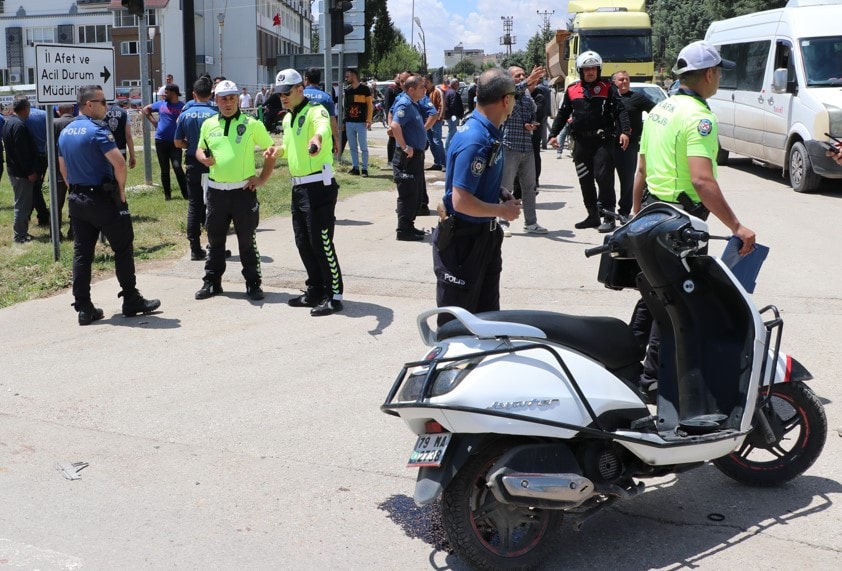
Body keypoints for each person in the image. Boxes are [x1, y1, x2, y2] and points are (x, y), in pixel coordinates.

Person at [630, 40, 756, 396]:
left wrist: (635, 212)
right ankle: (652, 381)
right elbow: (702, 179)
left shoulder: (660, 110)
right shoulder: (700, 117)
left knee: (652, 293)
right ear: (710, 74)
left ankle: (624, 362)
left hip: (654, 216)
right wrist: (736, 226)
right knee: (676, 302)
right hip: (680, 224)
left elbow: (640, 168)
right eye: (719, 73)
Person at [57, 85, 161, 325]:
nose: (107, 106)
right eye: (103, 102)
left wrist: (75, 187)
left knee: (82, 253)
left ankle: (84, 307)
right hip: (104, 200)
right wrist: (121, 192)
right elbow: (119, 164)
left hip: (77, 199)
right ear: (89, 105)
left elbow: (63, 169)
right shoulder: (97, 131)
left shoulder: (65, 132)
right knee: (123, 247)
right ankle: (131, 299)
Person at [432, 68, 522, 326]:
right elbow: (461, 201)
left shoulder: (487, 129)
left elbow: (475, 182)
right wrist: (502, 211)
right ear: (506, 100)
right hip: (464, 243)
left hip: (484, 237)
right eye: (513, 97)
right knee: (458, 326)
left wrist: (498, 192)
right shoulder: (476, 139)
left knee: (486, 320)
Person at [194, 80, 277, 302]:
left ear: (238, 100)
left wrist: (262, 178)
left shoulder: (252, 124)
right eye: (223, 99)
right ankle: (212, 282)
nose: (228, 103)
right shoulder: (209, 124)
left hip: (242, 192)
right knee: (215, 240)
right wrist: (203, 157)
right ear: (216, 100)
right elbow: (199, 149)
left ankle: (253, 283)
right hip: (216, 193)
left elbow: (271, 151)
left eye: (232, 98)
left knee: (246, 241)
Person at [273, 69, 344, 316]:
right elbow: (290, 147)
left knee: (321, 241)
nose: (282, 97)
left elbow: (323, 129)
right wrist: (278, 152)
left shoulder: (316, 111)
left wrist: (316, 141)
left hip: (319, 186)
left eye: (287, 92)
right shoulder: (287, 118)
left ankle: (334, 295)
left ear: (300, 90)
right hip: (299, 186)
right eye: (280, 93)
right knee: (303, 241)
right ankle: (315, 289)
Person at [548, 51, 630, 233]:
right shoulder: (572, 89)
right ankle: (592, 215)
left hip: (602, 142)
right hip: (581, 143)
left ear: (598, 70)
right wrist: (553, 134)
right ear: (580, 70)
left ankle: (608, 216)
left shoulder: (608, 87)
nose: (590, 72)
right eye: (587, 69)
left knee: (604, 178)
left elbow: (620, 110)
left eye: (593, 68)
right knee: (585, 180)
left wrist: (625, 131)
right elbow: (563, 113)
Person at [174, 75, 217, 261]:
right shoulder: (216, 113)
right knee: (214, 205)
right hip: (212, 163)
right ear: (211, 93)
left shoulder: (185, 114)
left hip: (192, 161)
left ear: (193, 94)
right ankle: (215, 245)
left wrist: (190, 145)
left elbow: (177, 142)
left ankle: (194, 248)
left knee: (194, 204)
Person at [501, 65, 547, 235]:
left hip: (527, 147)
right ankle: (502, 222)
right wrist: (528, 81)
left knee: (530, 187)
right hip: (509, 145)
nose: (521, 77)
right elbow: (513, 93)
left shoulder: (528, 94)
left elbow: (532, 113)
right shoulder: (505, 91)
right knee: (505, 187)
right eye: (517, 75)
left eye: (523, 75)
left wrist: (532, 123)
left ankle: (531, 222)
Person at [389, 74, 429, 241]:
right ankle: (403, 230)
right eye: (421, 87)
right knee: (408, 193)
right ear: (411, 90)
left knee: (416, 193)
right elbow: (395, 125)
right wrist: (405, 147)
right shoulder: (404, 103)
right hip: (408, 157)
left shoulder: (413, 103)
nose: (424, 90)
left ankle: (409, 225)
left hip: (417, 156)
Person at [612, 70, 654, 219]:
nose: (624, 82)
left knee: (627, 180)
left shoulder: (637, 98)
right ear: (614, 82)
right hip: (609, 144)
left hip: (629, 146)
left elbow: (656, 111)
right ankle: (607, 212)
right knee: (605, 179)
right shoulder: (609, 98)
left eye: (627, 79)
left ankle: (624, 212)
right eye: (621, 79)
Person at [2, 96, 39, 243]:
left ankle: (21, 233)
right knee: (22, 204)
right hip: (20, 172)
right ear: (25, 109)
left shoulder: (9, 122)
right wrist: (29, 172)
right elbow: (22, 153)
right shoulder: (19, 126)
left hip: (14, 170)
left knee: (22, 203)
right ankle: (20, 236)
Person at [143, 83, 188, 200]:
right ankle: (167, 195)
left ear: (173, 93)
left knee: (177, 166)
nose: (164, 95)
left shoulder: (182, 107)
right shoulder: (161, 104)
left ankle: (186, 194)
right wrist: (154, 123)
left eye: (166, 92)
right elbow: (146, 109)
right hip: (160, 140)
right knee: (164, 169)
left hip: (175, 142)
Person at [303, 67, 341, 158]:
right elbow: (332, 121)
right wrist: (337, 140)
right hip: (321, 139)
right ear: (319, 80)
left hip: (302, 136)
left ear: (306, 80)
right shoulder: (326, 98)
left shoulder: (299, 95)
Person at [24, 103, 51, 227]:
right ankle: (32, 214)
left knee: (33, 188)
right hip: (45, 155)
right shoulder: (45, 114)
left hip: (32, 155)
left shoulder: (24, 116)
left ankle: (42, 215)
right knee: (35, 187)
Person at [53, 103, 77, 239]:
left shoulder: (53, 124)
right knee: (76, 202)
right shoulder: (78, 124)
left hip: (57, 170)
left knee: (56, 204)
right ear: (72, 110)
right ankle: (73, 231)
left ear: (58, 111)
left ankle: (55, 233)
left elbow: (48, 149)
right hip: (75, 170)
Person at [343, 67, 372, 176]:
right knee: (352, 146)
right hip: (349, 122)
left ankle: (364, 169)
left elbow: (369, 106)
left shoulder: (365, 89)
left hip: (361, 123)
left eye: (347, 76)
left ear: (354, 76)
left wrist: (369, 120)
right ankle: (355, 167)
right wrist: (343, 122)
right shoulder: (348, 90)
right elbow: (345, 108)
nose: (346, 78)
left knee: (363, 147)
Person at [385, 71, 410, 163]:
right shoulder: (391, 90)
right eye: (400, 80)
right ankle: (391, 159)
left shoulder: (415, 94)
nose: (402, 82)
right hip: (395, 123)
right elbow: (389, 109)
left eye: (404, 80)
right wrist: (390, 124)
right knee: (393, 140)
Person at [423, 74, 446, 171]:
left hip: (436, 121)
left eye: (424, 82)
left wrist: (439, 118)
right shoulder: (424, 92)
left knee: (437, 141)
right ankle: (437, 162)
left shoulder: (437, 91)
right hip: (427, 121)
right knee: (431, 142)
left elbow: (442, 105)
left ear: (428, 82)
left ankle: (444, 163)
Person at [105, 100, 136, 169]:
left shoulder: (102, 112)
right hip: (120, 151)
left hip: (105, 150)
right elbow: (128, 135)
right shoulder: (124, 113)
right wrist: (132, 156)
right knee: (119, 176)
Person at [444, 79, 465, 149]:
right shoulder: (453, 93)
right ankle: (446, 149)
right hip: (452, 117)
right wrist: (457, 115)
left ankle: (451, 148)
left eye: (458, 83)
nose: (458, 84)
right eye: (456, 83)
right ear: (452, 84)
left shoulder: (448, 92)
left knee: (453, 133)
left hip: (449, 116)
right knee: (451, 132)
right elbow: (453, 105)